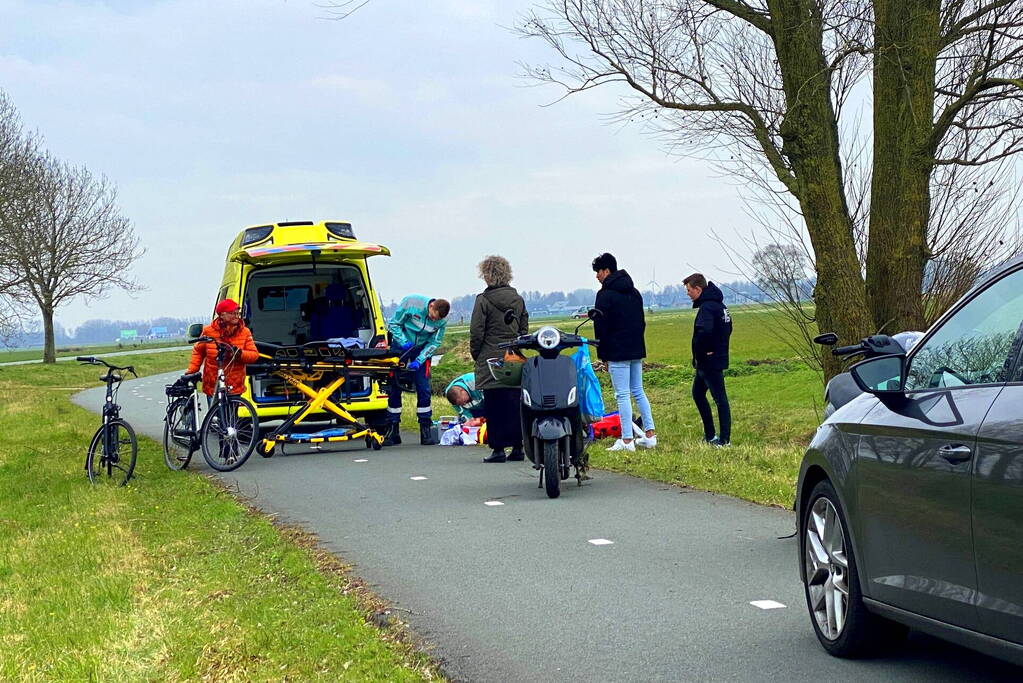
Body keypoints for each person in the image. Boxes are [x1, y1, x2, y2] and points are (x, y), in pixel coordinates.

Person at [591, 253, 656, 452]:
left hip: (617, 351)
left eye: (598, 272)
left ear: (606, 271)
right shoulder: (634, 292)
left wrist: (603, 354)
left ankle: (627, 440)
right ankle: (650, 435)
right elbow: (641, 322)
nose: (597, 276)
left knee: (622, 394)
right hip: (636, 348)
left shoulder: (604, 295)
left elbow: (600, 326)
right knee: (638, 390)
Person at [470, 255, 528, 463]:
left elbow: (477, 332)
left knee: (494, 405)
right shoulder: (518, 298)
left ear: (487, 275)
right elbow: (523, 329)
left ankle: (498, 449)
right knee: (515, 402)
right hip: (513, 354)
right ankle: (519, 447)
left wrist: (478, 354)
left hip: (490, 356)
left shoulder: (483, 300)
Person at [382, 295, 450, 446]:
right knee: (394, 386)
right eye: (432, 317)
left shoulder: (442, 320)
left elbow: (435, 341)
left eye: (436, 320)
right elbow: (393, 324)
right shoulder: (411, 303)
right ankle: (393, 430)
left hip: (421, 349)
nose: (433, 321)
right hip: (401, 345)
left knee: (424, 388)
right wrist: (402, 341)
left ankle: (425, 430)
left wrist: (420, 359)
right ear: (431, 307)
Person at [684, 273, 733, 447]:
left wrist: (703, 353)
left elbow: (703, 332)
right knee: (698, 394)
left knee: (720, 399)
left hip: (708, 362)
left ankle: (724, 440)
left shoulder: (707, 309)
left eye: (689, 290)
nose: (688, 294)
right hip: (713, 359)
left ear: (698, 289)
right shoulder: (721, 306)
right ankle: (710, 434)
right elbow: (728, 329)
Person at [184, 298, 259, 400]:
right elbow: (198, 351)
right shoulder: (208, 331)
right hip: (213, 384)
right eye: (233, 313)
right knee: (215, 414)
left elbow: (254, 355)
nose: (236, 316)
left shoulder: (244, 332)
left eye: (238, 313)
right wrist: (192, 371)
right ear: (222, 315)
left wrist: (238, 354)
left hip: (234, 384)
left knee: (231, 415)